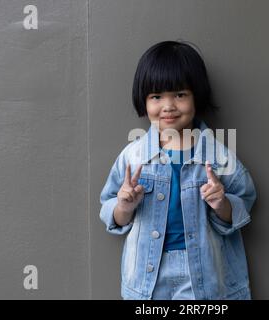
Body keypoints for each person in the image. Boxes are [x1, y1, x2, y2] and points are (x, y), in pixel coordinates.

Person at [99, 40, 258, 300]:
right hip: (148, 273)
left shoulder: (217, 155)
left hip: (203, 274)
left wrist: (221, 204)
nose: (168, 106)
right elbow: (109, 208)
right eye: (156, 96)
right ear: (144, 101)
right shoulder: (133, 156)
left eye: (180, 95)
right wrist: (123, 207)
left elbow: (245, 200)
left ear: (197, 96)